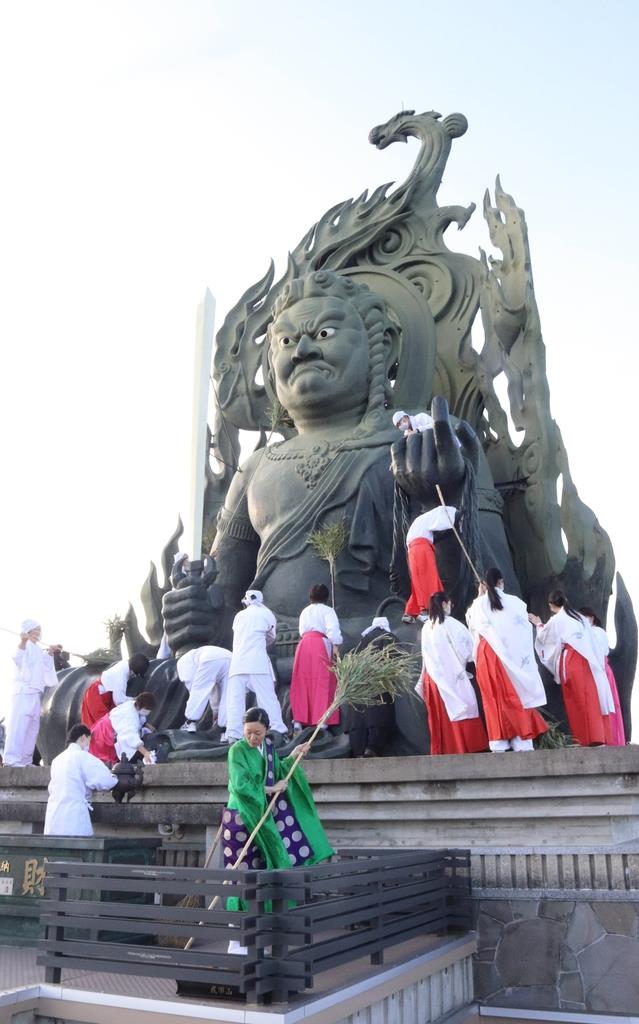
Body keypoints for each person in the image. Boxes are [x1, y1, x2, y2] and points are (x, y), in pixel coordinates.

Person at [223, 707, 334, 952]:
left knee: (264, 871)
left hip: (264, 820)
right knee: (241, 875)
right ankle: (237, 941)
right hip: (241, 819)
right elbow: (241, 784)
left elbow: (276, 772)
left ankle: (263, 933)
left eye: (258, 733)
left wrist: (293, 756)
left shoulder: (269, 750)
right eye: (249, 732)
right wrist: (270, 790)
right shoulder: (236, 750)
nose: (253, 738)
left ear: (267, 730)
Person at [466, 568, 548, 752]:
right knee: (519, 693)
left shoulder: (479, 605)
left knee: (493, 697)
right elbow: (524, 631)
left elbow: (472, 624)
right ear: (501, 581)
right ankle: (522, 739)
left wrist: (479, 597)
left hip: (489, 655)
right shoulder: (516, 603)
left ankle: (499, 740)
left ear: (485, 585)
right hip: (514, 658)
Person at [531, 591, 614, 746]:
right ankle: (597, 737)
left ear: (551, 605)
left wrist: (538, 624)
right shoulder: (579, 618)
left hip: (571, 661)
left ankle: (584, 738)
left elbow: (545, 637)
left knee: (575, 700)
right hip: (589, 662)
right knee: (590, 699)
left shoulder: (557, 620)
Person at [419, 592, 488, 755]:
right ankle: (465, 746)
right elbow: (469, 651)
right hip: (452, 676)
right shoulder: (453, 624)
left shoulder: (426, 626)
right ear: (444, 604)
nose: (450, 607)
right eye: (449, 603)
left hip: (433, 678)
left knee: (442, 716)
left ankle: (445, 749)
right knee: (462, 706)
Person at [225, 590, 288, 743]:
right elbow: (271, 637)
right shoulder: (267, 614)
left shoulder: (239, 616)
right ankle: (278, 730)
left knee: (235, 701)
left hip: (238, 664)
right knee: (267, 698)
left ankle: (233, 734)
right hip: (257, 663)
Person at [4, 620, 61, 767]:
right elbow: (17, 657)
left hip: (35, 693)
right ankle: (12, 759)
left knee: (32, 728)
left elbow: (44, 668)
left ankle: (25, 760)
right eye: (35, 631)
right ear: (28, 632)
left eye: (39, 631)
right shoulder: (24, 645)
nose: (38, 634)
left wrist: (50, 652)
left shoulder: (37, 649)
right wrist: (22, 641)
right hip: (23, 692)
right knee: (19, 726)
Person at [44, 724, 117, 836]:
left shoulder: (57, 760)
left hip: (54, 816)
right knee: (77, 850)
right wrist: (114, 776)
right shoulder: (82, 756)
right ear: (83, 738)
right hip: (74, 817)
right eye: (89, 740)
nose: (89, 745)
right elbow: (105, 781)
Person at [290, 584, 342, 733]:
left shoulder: (305, 611)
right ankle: (322, 720)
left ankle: (298, 721)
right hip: (320, 643)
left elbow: (301, 630)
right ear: (326, 597)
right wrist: (336, 644)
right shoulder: (327, 610)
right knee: (323, 680)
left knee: (301, 680)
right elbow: (333, 631)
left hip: (304, 644)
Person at [344, 616, 397, 757]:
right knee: (378, 716)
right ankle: (372, 748)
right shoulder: (388, 637)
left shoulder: (362, 641)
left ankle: (358, 750)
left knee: (358, 719)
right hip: (378, 684)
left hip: (358, 687)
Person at [402, 505, 458, 623]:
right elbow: (444, 519)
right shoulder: (434, 516)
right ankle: (427, 609)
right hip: (421, 548)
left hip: (413, 550)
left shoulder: (420, 522)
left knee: (418, 582)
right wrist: (455, 517)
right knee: (429, 579)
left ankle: (411, 611)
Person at [579, 607, 625, 745]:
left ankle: (612, 738)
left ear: (592, 617)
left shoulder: (597, 632)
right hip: (594, 671)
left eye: (586, 617)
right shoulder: (586, 633)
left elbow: (598, 653)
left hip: (601, 671)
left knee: (607, 705)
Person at [81, 654, 150, 729]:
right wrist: (135, 700)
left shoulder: (124, 664)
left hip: (98, 694)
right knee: (102, 728)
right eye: (135, 675)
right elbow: (119, 700)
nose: (133, 677)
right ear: (134, 671)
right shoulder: (121, 676)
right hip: (96, 698)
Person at [89, 691, 157, 765]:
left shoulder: (133, 704)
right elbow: (130, 736)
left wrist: (148, 725)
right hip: (104, 735)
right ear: (140, 706)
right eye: (147, 710)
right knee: (99, 761)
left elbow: (140, 717)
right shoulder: (130, 717)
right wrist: (146, 753)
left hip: (103, 727)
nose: (148, 712)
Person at [177, 644, 232, 733]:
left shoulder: (182, 662)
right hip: (230, 658)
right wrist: (216, 711)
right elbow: (216, 690)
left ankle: (190, 722)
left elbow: (194, 686)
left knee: (199, 689)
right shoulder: (195, 655)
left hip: (210, 657)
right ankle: (225, 731)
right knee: (227, 694)